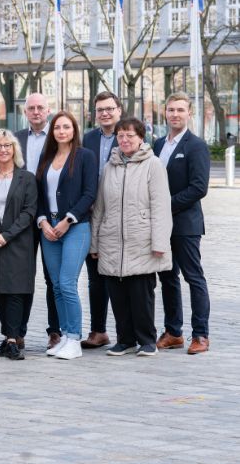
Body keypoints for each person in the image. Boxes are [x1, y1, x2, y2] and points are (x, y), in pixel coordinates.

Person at [90, 117, 172, 357]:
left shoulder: (153, 165)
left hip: (141, 240)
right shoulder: (110, 166)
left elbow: (161, 206)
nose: (124, 140)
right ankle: (125, 340)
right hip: (112, 241)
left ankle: (147, 340)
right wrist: (94, 242)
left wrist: (160, 242)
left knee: (141, 294)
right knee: (117, 294)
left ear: (141, 138)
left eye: (130, 135)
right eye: (120, 136)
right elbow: (100, 207)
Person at [37, 111, 98, 361]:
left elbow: (90, 192)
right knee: (56, 285)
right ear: (52, 132)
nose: (62, 131)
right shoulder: (47, 158)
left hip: (75, 227)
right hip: (49, 228)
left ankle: (74, 338)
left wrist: (68, 220)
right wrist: (43, 221)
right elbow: (39, 194)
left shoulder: (85, 156)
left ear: (74, 130)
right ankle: (64, 335)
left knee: (67, 283)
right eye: (57, 127)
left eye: (66, 127)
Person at [154, 92, 211, 355]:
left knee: (193, 278)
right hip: (161, 226)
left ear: (189, 113)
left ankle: (200, 334)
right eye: (171, 110)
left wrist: (166, 205)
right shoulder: (157, 145)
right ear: (165, 113)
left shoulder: (196, 145)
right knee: (168, 278)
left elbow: (199, 188)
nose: (175, 114)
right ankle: (173, 332)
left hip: (185, 224)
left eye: (180, 110)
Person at [0, 130, 38, 360]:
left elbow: (29, 212)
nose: (3, 150)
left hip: (18, 242)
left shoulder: (26, 178)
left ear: (14, 149)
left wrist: (7, 235)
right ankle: (8, 338)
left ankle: (12, 340)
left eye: (7, 145)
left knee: (15, 291)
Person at [14, 93, 60, 350]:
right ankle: (18, 331)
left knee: (53, 277)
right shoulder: (17, 139)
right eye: (31, 108)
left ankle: (55, 331)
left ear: (48, 110)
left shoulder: (59, 136)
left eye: (40, 107)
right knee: (23, 275)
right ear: (25, 112)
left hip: (51, 215)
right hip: (23, 215)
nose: (36, 112)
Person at [80, 91, 123, 349]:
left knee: (119, 276)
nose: (105, 113)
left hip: (118, 216)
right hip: (92, 215)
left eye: (109, 109)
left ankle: (127, 332)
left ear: (119, 110)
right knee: (95, 278)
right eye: (100, 110)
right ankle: (98, 330)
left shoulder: (128, 135)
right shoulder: (88, 138)